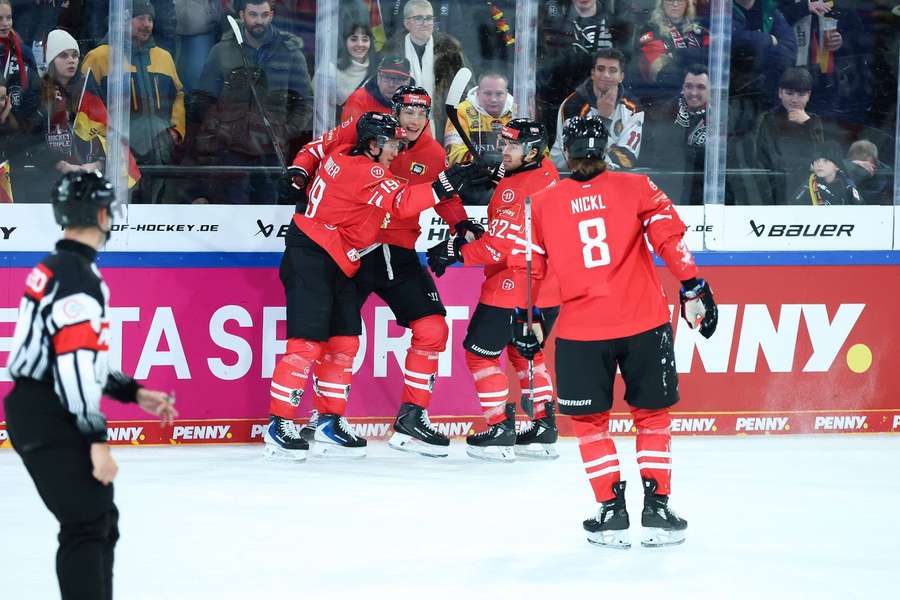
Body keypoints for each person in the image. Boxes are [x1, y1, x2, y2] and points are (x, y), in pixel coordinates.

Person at [513, 115, 717, 548]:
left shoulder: (544, 202)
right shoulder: (638, 187)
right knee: (653, 418)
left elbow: (533, 269)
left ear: (565, 152)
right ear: (604, 149)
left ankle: (611, 510)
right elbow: (669, 240)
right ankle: (658, 509)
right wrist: (693, 285)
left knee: (590, 423)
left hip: (580, 332)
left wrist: (528, 317)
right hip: (644, 324)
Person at [263, 111, 496, 459]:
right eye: (390, 143)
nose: (396, 150)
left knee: (344, 341)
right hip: (312, 256)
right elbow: (402, 203)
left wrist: (452, 193)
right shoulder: (365, 170)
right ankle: (278, 424)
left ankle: (329, 421)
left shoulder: (344, 155)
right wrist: (449, 181)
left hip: (341, 257)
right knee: (307, 344)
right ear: (372, 144)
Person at [3, 171, 178, 599]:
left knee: (99, 520)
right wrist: (96, 439)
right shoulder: (77, 277)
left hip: (39, 406)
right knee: (86, 524)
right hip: (48, 411)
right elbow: (75, 364)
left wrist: (132, 391)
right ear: (102, 214)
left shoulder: (59, 267)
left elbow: (79, 354)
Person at [426, 119, 561, 461]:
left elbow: (496, 247)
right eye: (504, 143)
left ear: (532, 151)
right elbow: (516, 183)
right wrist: (496, 170)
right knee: (524, 351)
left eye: (512, 147)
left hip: (512, 280)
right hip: (543, 284)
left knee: (479, 353)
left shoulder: (515, 192)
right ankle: (544, 426)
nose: (505, 151)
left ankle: (499, 428)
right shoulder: (546, 171)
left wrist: (453, 251)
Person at [187, 0, 313, 204]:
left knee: (267, 213)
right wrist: (220, 129)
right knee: (232, 216)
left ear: (272, 15)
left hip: (271, 151)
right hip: (230, 151)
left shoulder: (290, 53)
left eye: (264, 15)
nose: (259, 21)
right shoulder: (221, 51)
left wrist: (285, 130)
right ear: (242, 15)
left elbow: (305, 101)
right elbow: (204, 99)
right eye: (253, 15)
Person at [82, 0, 185, 204]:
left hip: (159, 150)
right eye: (140, 18)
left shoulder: (164, 57)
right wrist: (104, 140)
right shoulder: (99, 56)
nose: (147, 24)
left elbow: (179, 95)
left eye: (150, 19)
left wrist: (175, 131)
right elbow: (86, 106)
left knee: (156, 208)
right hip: (118, 153)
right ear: (122, 21)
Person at [16, 30, 104, 202]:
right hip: (45, 181)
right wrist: (62, 165)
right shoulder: (36, 90)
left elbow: (106, 132)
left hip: (87, 179)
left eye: (75, 55)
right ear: (51, 60)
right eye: (63, 55)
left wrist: (97, 164)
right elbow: (27, 137)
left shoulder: (87, 90)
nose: (71, 60)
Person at [537, 0, 632, 144]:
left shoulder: (614, 23)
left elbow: (625, 64)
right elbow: (549, 69)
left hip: (606, 100)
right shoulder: (556, 23)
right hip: (564, 99)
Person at [382, 0, 467, 141]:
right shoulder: (391, 50)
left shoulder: (451, 50)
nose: (425, 23)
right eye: (419, 18)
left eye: (429, 18)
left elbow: (465, 89)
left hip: (441, 124)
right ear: (406, 23)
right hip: (398, 124)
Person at [549, 48, 644, 172]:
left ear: (621, 77)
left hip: (612, 177)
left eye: (613, 70)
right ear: (593, 73)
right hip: (566, 174)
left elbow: (627, 159)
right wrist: (603, 120)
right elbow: (578, 161)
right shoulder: (573, 105)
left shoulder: (632, 106)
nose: (606, 75)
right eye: (600, 69)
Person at [753, 66, 824, 204]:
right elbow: (767, 157)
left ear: (809, 95)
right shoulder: (767, 119)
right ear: (780, 92)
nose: (794, 100)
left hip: (809, 187)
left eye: (801, 95)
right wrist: (805, 166)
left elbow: (822, 157)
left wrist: (807, 124)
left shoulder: (814, 121)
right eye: (789, 93)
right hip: (776, 186)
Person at [642, 64, 709, 204]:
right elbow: (663, 155)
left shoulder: (723, 115)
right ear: (682, 88)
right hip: (670, 189)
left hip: (706, 191)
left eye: (701, 87)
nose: (694, 92)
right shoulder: (664, 112)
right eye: (689, 86)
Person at [636, 0, 709, 100]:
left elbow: (714, 58)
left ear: (687, 4)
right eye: (670, 0)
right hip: (667, 96)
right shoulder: (651, 30)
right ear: (661, 3)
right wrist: (696, 56)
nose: (675, 4)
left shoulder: (700, 31)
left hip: (701, 93)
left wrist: (677, 55)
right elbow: (659, 70)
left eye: (680, 0)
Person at [444, 71, 515, 168]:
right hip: (474, 174)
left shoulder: (517, 113)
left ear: (506, 94)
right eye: (488, 93)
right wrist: (480, 161)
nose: (493, 99)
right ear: (477, 93)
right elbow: (453, 154)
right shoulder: (461, 112)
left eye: (499, 94)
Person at [340, 54, 410, 122]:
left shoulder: (414, 101)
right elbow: (346, 133)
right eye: (387, 77)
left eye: (399, 79)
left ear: (407, 82)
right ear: (378, 77)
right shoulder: (358, 99)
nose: (391, 85)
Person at [789, 140, 861, 205]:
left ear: (837, 166)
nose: (819, 164)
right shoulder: (807, 187)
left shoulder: (847, 185)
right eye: (817, 161)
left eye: (825, 161)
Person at [336, 22, 378, 107]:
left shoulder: (377, 72)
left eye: (365, 39)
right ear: (345, 41)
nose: (360, 44)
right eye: (354, 39)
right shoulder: (330, 70)